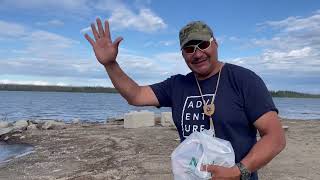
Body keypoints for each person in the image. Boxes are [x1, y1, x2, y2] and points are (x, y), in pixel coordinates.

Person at [84, 18, 286, 180]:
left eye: (203, 44)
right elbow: (135, 95)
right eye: (189, 48)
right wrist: (110, 64)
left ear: (215, 43)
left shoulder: (243, 80)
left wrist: (237, 171)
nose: (197, 54)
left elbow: (275, 138)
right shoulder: (177, 85)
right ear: (182, 54)